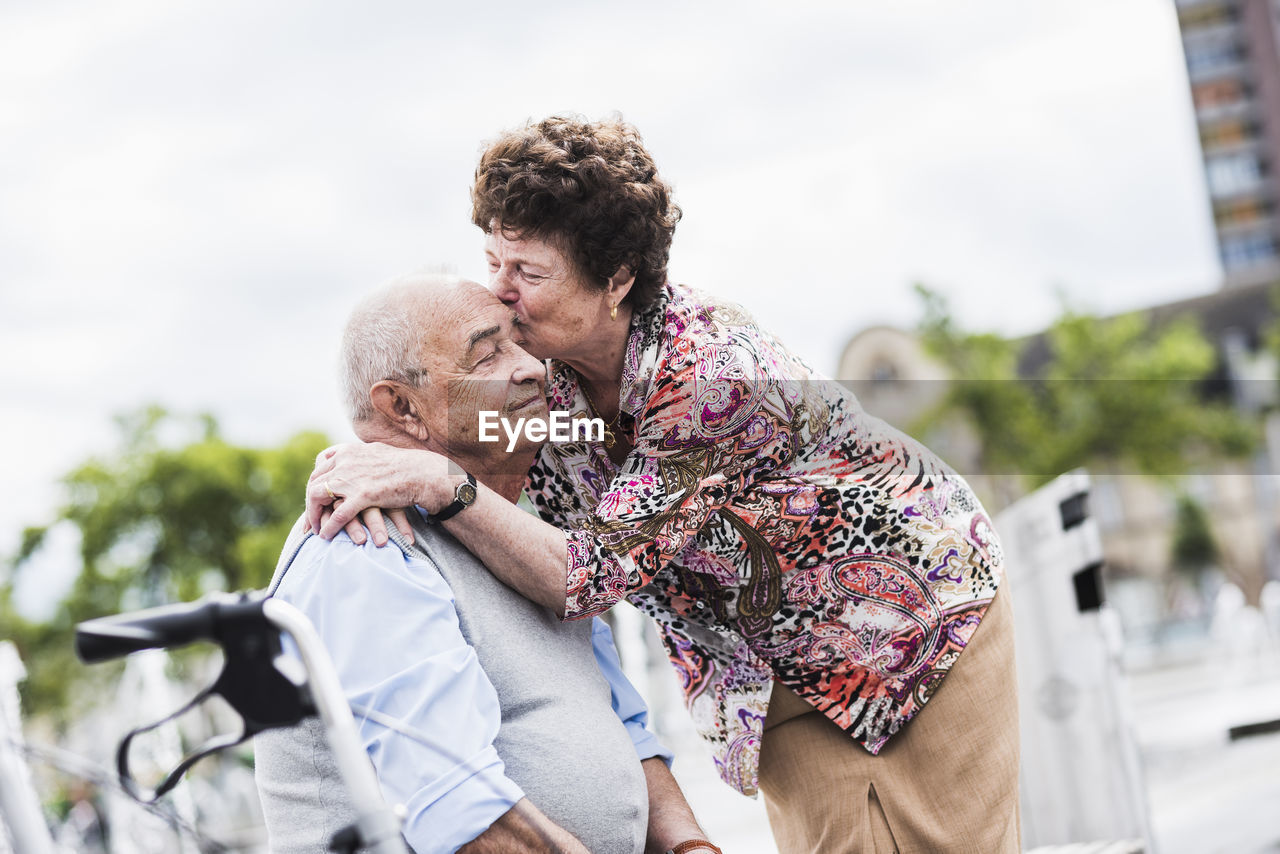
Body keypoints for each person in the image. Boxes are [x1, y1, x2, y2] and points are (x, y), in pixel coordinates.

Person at [308, 116, 1020, 853]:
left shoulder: (709, 372)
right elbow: (450, 437)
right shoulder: (545, 377)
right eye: (493, 260)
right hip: (767, 657)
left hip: (910, 620)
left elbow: (584, 574)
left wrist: (437, 482)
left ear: (616, 279)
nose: (500, 293)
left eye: (529, 273)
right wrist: (364, 460)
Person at [255, 273, 718, 854]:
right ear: (402, 407)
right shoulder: (364, 547)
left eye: (519, 343)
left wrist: (689, 847)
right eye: (487, 353)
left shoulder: (510, 537)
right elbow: (464, 817)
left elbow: (626, 731)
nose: (532, 368)